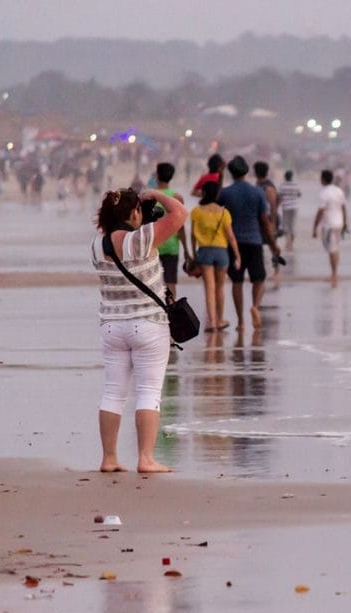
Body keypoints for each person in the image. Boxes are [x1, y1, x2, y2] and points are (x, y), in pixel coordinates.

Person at [89, 187, 187, 473]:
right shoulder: (142, 239)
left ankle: (109, 458)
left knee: (112, 392)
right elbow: (179, 213)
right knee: (148, 392)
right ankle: (146, 458)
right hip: (148, 325)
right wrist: (155, 194)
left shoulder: (97, 245)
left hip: (111, 325)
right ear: (134, 213)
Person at [217, 155, 282, 330]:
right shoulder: (257, 192)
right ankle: (255, 306)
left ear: (232, 173)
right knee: (259, 278)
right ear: (246, 172)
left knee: (237, 281)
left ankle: (241, 322)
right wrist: (273, 244)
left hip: (233, 243)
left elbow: (214, 207)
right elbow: (265, 221)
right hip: (254, 241)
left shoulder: (226, 193)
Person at [190, 181, 241, 331]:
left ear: (204, 193)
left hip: (204, 251)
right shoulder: (224, 212)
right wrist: (237, 255)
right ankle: (219, 319)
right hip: (221, 252)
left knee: (209, 289)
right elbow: (231, 237)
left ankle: (211, 322)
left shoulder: (196, 212)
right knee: (220, 288)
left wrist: (193, 253)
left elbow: (193, 235)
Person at [153, 162, 191, 298]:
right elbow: (180, 226)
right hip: (172, 246)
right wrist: (186, 250)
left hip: (153, 245)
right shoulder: (176, 197)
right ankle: (172, 314)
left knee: (152, 283)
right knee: (170, 283)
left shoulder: (150, 196)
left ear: (157, 175)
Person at [312, 169, 348, 286]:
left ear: (322, 179)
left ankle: (334, 275)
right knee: (335, 248)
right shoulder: (339, 191)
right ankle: (334, 273)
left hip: (329, 225)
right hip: (339, 223)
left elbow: (320, 211)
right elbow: (343, 208)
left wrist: (314, 227)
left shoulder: (324, 192)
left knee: (332, 249)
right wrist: (346, 223)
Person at [278, 170, 301, 251]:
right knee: (292, 225)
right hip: (294, 207)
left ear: (285, 177)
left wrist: (277, 206)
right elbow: (299, 194)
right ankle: (291, 244)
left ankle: (287, 243)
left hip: (286, 207)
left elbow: (279, 197)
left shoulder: (282, 185)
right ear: (292, 177)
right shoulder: (295, 185)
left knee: (286, 225)